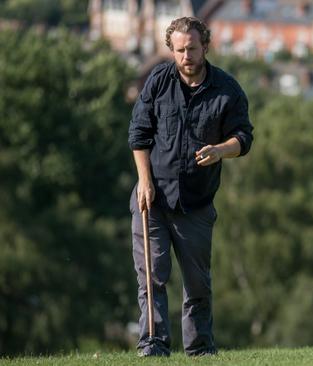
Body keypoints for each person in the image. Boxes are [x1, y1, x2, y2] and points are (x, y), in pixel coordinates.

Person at [128, 16, 253, 357]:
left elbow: (244, 138)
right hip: (151, 197)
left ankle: (199, 348)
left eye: (192, 49)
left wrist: (219, 151)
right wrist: (143, 181)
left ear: (206, 47)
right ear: (172, 50)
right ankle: (153, 342)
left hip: (196, 204)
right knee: (153, 274)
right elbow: (138, 134)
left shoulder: (226, 89)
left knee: (198, 283)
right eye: (180, 50)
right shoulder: (157, 82)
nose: (186, 56)